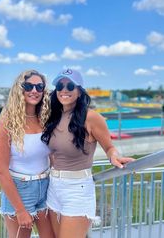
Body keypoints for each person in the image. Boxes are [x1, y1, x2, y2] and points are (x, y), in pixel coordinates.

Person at [41, 69, 135, 238]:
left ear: (79, 91)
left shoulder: (92, 117)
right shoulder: (54, 117)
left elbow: (109, 147)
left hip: (77, 189)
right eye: (60, 86)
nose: (64, 90)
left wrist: (113, 156)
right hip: (53, 186)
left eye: (70, 85)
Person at [0, 70, 55, 238]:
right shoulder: (7, 120)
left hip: (45, 186)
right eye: (28, 86)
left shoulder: (45, 117)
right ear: (19, 89)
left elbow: (52, 155)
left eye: (39, 86)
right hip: (20, 190)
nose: (34, 90)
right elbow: (1, 170)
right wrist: (20, 210)